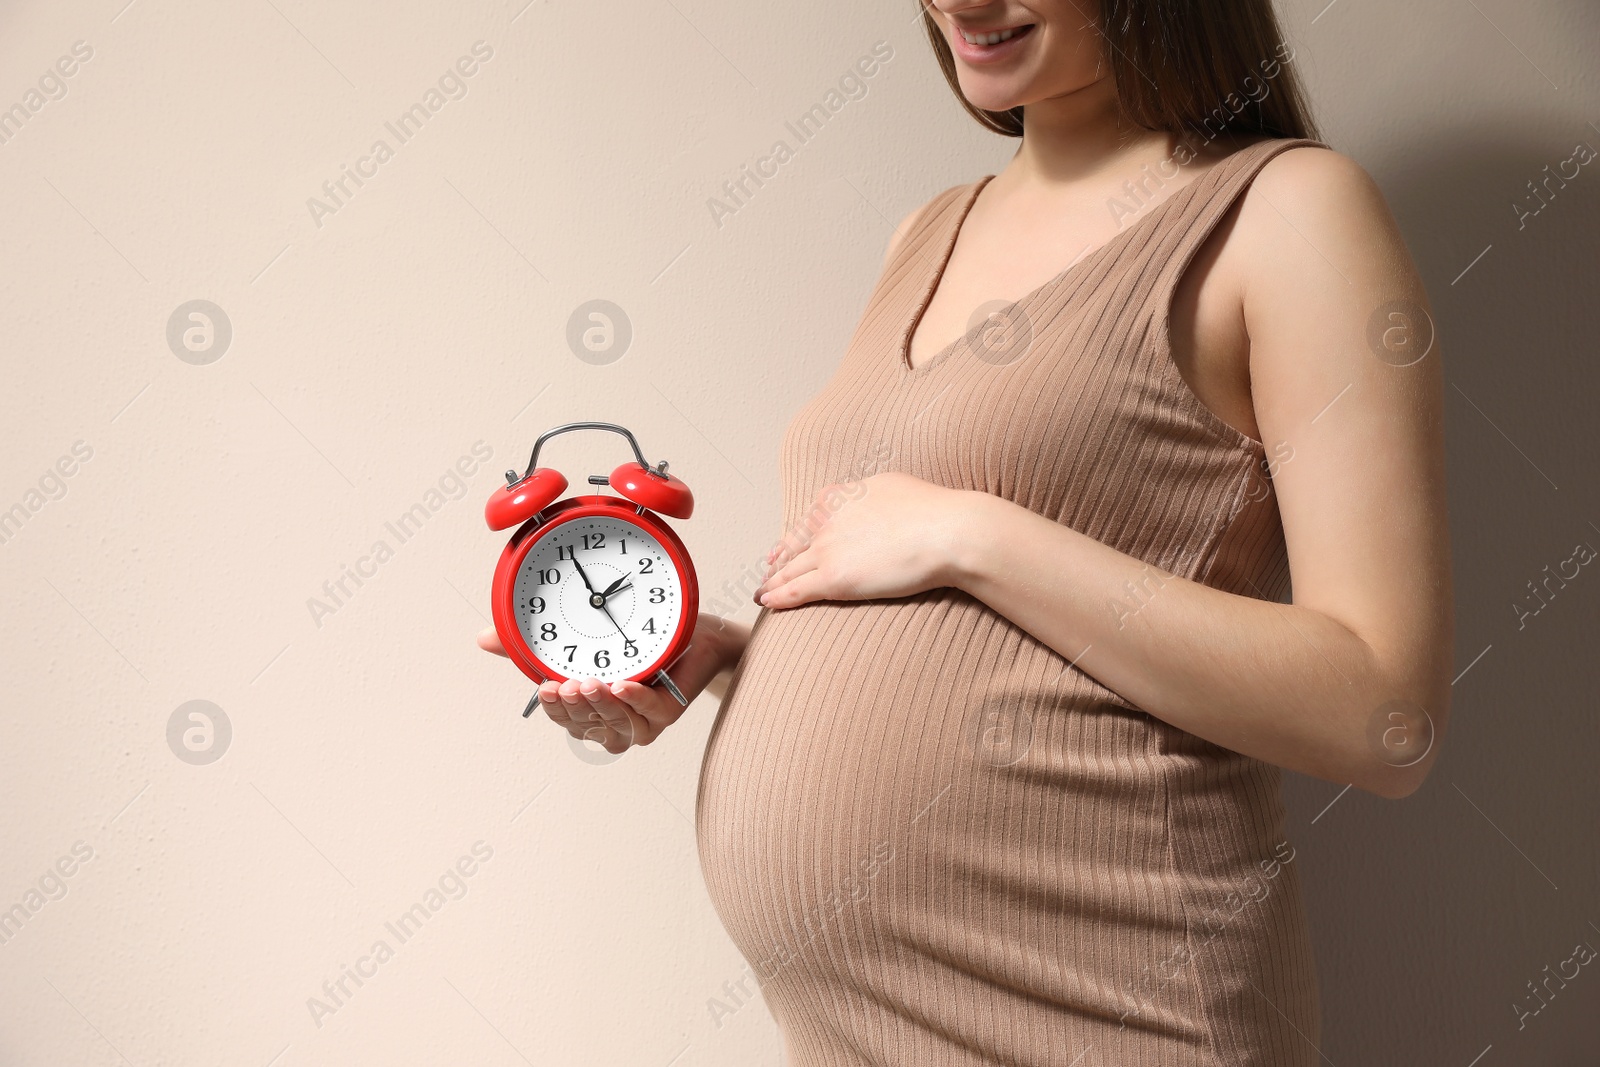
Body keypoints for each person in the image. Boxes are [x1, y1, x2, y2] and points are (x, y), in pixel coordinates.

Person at [480, 0, 1453, 1061]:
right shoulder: (929, 231)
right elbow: (948, 625)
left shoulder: (1289, 210)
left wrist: (973, 533)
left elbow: (1383, 711)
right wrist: (731, 663)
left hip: (1118, 1010)